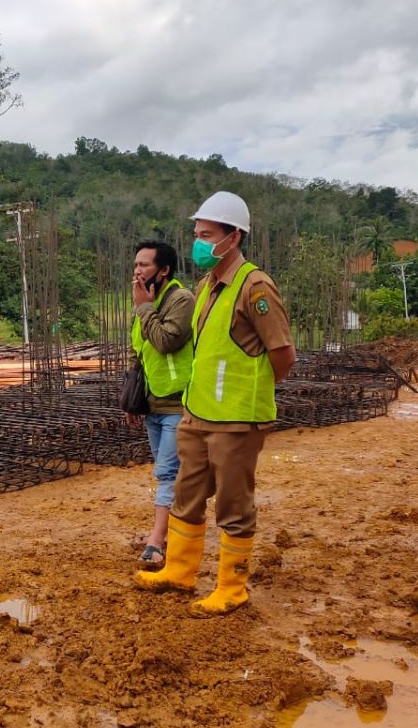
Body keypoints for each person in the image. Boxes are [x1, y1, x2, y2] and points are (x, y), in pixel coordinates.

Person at [134, 191, 296, 617]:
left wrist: (250, 396)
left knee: (233, 504)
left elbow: (283, 354)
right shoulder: (207, 286)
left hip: (236, 421)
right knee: (186, 495)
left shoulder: (254, 286)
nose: (198, 243)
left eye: (207, 235)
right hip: (197, 413)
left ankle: (231, 587)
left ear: (234, 237)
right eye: (196, 234)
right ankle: (180, 571)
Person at [126, 241, 194, 567]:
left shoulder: (182, 300)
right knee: (170, 474)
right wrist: (132, 401)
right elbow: (139, 350)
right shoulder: (145, 303)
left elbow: (166, 341)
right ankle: (168, 531)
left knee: (167, 473)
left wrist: (143, 309)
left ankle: (156, 541)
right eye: (136, 265)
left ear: (164, 270)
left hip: (178, 403)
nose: (137, 271)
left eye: (144, 265)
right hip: (153, 404)